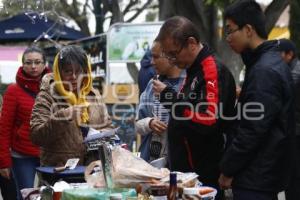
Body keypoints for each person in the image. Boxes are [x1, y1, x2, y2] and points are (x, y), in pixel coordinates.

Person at [152, 16, 236, 200]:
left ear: (191, 43)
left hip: (203, 176)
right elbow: (187, 110)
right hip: (186, 174)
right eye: (168, 55)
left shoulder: (211, 70)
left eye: (173, 54)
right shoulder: (193, 71)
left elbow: (208, 119)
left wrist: (170, 97)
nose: (172, 60)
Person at [218, 1, 295, 200]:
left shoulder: (264, 70)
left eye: (229, 30)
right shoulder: (264, 64)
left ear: (248, 30)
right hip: (260, 173)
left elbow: (252, 130)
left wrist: (228, 169)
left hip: (256, 177)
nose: (227, 38)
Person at [30, 45, 112, 167]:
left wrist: (101, 134)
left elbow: (108, 126)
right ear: (59, 72)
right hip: (59, 171)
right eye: (68, 71)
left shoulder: (93, 94)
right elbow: (37, 136)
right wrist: (63, 116)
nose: (73, 77)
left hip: (93, 170)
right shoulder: (47, 95)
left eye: (78, 71)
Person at [0, 46, 50, 199]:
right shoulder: (13, 91)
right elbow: (4, 128)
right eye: (28, 63)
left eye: (37, 62)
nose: (33, 66)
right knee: (25, 195)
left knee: (50, 194)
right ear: (22, 65)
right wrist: (3, 162)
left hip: (49, 153)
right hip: (22, 155)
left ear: (44, 64)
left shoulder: (55, 88)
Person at [136, 40, 185, 164]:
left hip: (180, 161)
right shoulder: (152, 85)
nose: (152, 62)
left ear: (171, 56)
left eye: (156, 57)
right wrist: (150, 123)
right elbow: (137, 124)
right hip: (152, 160)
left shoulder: (189, 83)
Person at [278, 38, 300, 200]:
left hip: (296, 132)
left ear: (289, 54)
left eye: (279, 54)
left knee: (294, 175)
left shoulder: (295, 73)